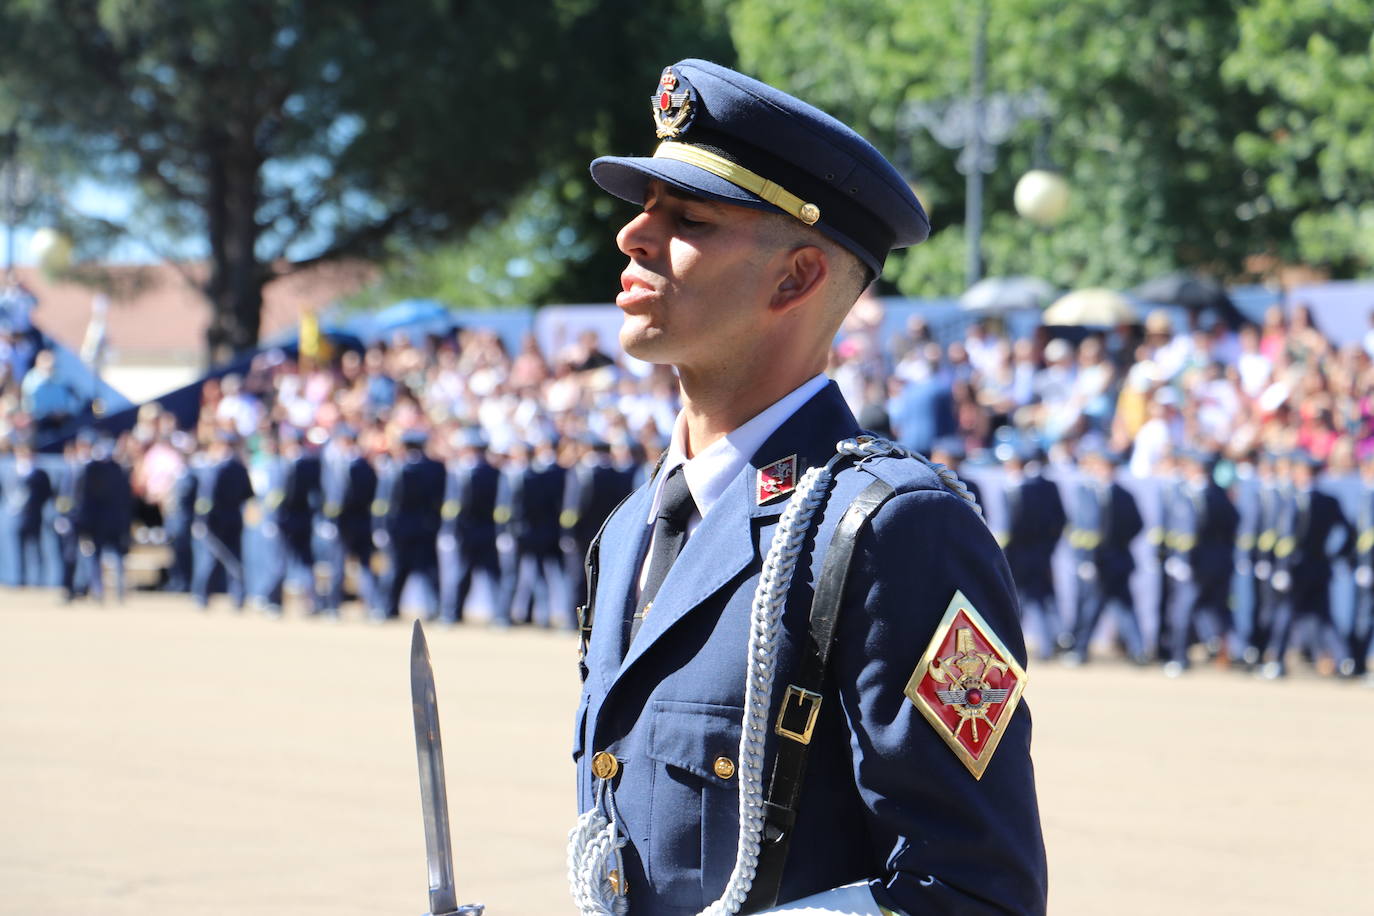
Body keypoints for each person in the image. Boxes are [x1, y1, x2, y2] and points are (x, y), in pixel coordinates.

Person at [568, 60, 1045, 915]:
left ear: (795, 279)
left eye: (690, 219)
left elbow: (975, 891)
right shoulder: (635, 524)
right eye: (644, 209)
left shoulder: (892, 528)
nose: (633, 237)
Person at [1161, 449, 1239, 676]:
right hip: (1196, 564)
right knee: (1189, 610)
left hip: (1203, 564)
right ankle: (1188, 651)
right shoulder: (1183, 493)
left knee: (1196, 610)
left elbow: (1228, 527)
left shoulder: (1213, 496)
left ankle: (1206, 650)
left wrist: (1186, 559)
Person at [1066, 447, 1147, 665]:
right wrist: (1083, 559)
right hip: (1095, 561)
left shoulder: (1123, 495)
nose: (1103, 472)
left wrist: (1119, 541)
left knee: (1124, 607)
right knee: (1091, 607)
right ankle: (1080, 649)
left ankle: (1139, 651)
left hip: (1118, 561)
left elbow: (1137, 524)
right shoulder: (1085, 493)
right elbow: (1078, 528)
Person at [998, 445, 1067, 660]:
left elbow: (1017, 527)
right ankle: (1055, 640)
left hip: (1023, 556)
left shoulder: (1023, 489)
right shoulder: (1040, 487)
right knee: (1039, 599)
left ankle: (1045, 644)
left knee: (1030, 600)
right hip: (1037, 554)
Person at [374, 428, 445, 620]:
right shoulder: (436, 467)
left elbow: (384, 502)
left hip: (400, 528)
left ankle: (388, 608)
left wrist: (380, 526)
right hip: (426, 526)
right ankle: (437, 609)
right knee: (428, 571)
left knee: (397, 569)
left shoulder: (394, 467)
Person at [438, 428, 502, 624]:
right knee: (461, 573)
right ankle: (452, 613)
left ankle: (500, 614)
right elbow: (451, 505)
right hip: (467, 532)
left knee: (489, 574)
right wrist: (450, 529)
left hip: (481, 530)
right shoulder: (461, 472)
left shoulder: (488, 472)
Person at [318, 424, 379, 616]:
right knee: (364, 566)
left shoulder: (343, 467)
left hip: (345, 523)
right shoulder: (365, 465)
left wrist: (331, 520)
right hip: (362, 522)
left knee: (339, 565)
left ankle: (333, 607)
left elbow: (339, 498)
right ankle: (374, 606)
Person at [191, 431, 254, 610]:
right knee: (230, 560)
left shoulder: (215, 468)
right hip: (231, 519)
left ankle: (203, 597)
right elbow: (248, 495)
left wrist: (201, 520)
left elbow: (205, 499)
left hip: (216, 522)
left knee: (214, 560)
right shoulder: (238, 468)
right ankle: (236, 598)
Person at [4, 435, 52, 586]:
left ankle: (36, 580)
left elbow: (46, 494)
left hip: (33, 516)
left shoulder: (39, 473)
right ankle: (17, 579)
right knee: (15, 551)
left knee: (34, 549)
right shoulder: (10, 471)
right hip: (13, 516)